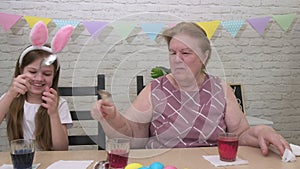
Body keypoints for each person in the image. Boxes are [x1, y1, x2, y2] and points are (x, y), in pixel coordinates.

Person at [91, 22, 290, 156]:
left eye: (186, 53)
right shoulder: (156, 88)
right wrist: (112, 117)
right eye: (172, 52)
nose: (177, 59)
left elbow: (240, 134)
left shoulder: (220, 89)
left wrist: (262, 131)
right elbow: (134, 138)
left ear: (204, 56)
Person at [0, 21, 73, 151]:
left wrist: (53, 113)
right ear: (21, 71)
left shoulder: (59, 104)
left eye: (46, 73)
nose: (39, 79)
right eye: (32, 72)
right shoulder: (10, 99)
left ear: (54, 76)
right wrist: (10, 94)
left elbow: (62, 148)